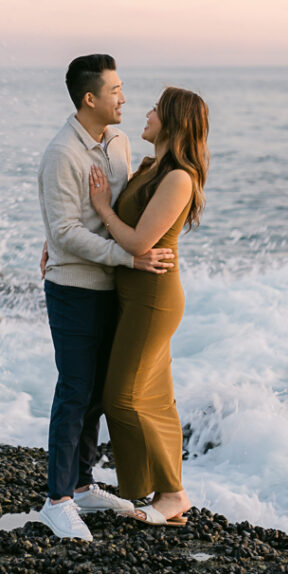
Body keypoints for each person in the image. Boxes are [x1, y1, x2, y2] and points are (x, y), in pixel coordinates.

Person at [37, 54, 175, 541]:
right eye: (115, 90)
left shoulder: (116, 142)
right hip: (74, 288)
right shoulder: (62, 154)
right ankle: (56, 501)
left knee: (96, 392)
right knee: (74, 391)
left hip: (110, 287)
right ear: (89, 98)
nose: (124, 98)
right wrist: (128, 257)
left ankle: (81, 482)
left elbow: (106, 211)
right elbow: (67, 230)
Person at [88, 86, 209, 526]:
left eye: (155, 109)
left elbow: (140, 242)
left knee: (121, 397)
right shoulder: (150, 167)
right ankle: (165, 493)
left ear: (173, 121)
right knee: (155, 397)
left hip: (154, 297)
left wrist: (103, 208)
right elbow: (126, 236)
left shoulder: (178, 178)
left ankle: (173, 493)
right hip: (131, 293)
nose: (146, 113)